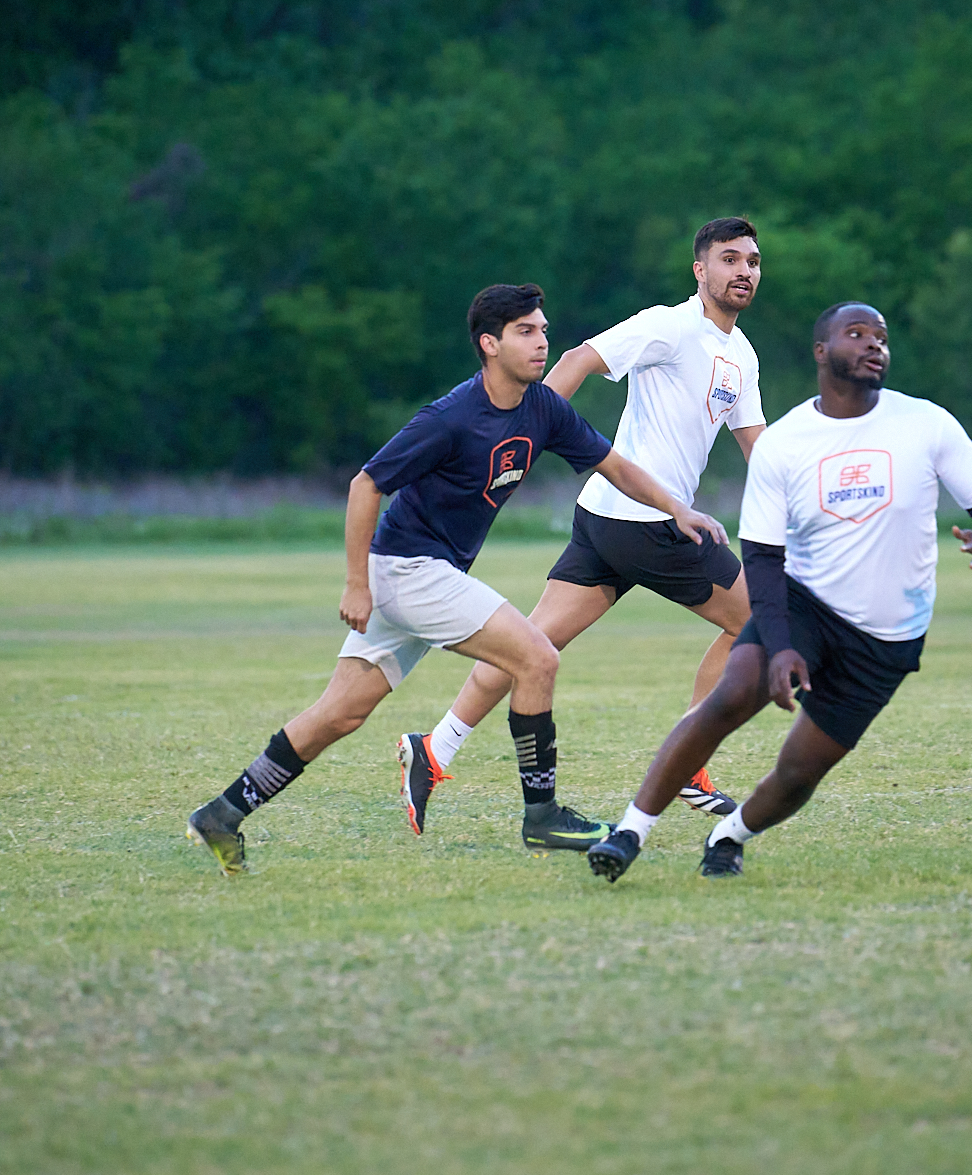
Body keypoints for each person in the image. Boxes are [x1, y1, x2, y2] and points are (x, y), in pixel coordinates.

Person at [186, 284, 728, 875]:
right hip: (408, 571)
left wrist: (677, 509)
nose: (542, 343)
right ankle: (542, 817)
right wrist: (355, 584)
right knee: (537, 659)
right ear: (489, 344)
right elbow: (367, 485)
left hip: (423, 573)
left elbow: (614, 466)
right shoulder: (451, 418)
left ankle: (222, 814)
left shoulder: (543, 408)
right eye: (526, 332)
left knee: (339, 714)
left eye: (543, 331)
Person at [585, 301, 972, 883]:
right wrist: (782, 643)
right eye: (856, 333)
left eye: (881, 337)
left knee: (799, 772)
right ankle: (630, 832)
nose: (873, 344)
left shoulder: (925, 424)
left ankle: (729, 834)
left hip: (888, 639)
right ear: (821, 351)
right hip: (805, 605)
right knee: (730, 696)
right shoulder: (785, 443)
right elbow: (763, 557)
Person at [397, 218, 769, 838]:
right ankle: (689, 765)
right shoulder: (670, 325)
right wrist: (527, 426)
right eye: (729, 259)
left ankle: (435, 749)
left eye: (752, 261)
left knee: (530, 646)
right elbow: (577, 359)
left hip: (605, 518)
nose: (744, 271)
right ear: (700, 270)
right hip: (648, 522)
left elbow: (757, 444)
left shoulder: (742, 354)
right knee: (760, 620)